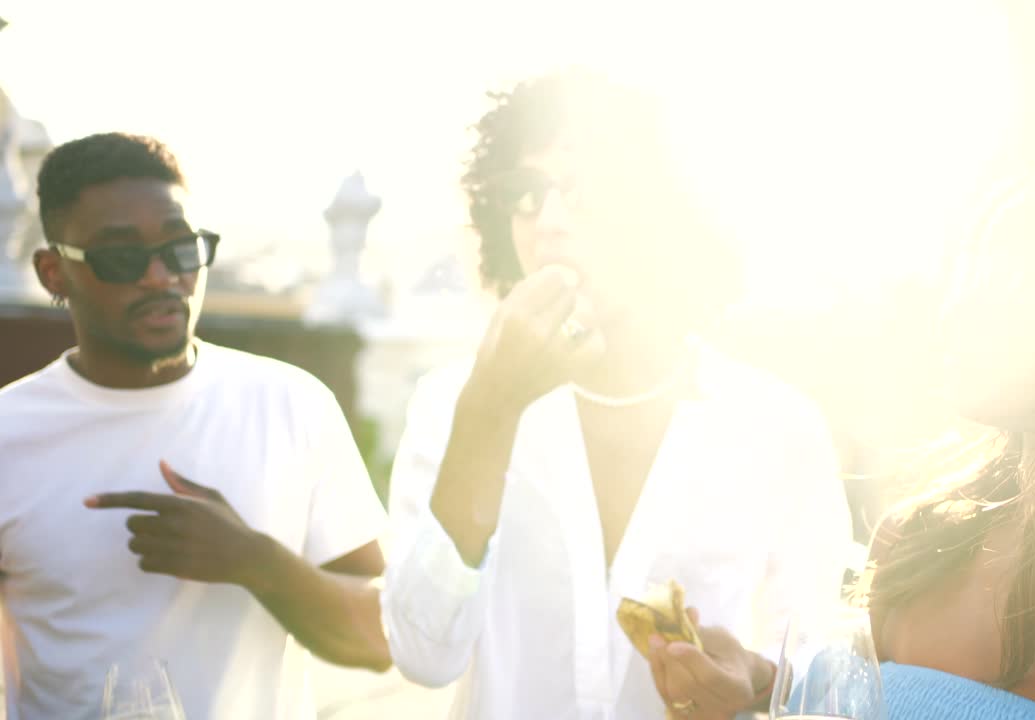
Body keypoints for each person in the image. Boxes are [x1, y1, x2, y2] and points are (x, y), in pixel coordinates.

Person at [658, 157, 1035, 719]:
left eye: (1014, 281)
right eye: (973, 272)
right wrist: (762, 685)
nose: (956, 312)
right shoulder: (917, 548)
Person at [380, 69, 856, 719]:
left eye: (585, 191)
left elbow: (827, 677)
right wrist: (490, 410)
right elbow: (422, 654)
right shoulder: (453, 405)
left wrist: (756, 681)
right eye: (525, 194)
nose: (548, 222)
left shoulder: (777, 427)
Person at [0, 132, 391, 719]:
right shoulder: (10, 435)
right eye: (122, 256)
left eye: (182, 249)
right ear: (54, 273)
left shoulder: (292, 404)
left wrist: (254, 560)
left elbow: (383, 639)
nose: (162, 277)